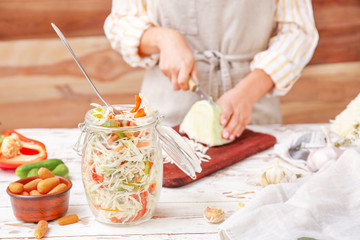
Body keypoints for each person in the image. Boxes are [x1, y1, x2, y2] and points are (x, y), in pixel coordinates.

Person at [104, 0, 318, 140]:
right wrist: (162, 38)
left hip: (255, 113)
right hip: (165, 116)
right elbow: (121, 22)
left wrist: (249, 92)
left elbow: (298, 31)